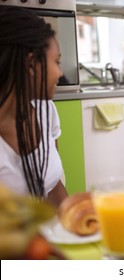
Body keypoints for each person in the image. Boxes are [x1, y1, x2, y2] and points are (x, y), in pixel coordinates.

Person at [0, 6, 68, 207]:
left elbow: (52, 184)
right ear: (31, 64)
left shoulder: (45, 111)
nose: (60, 74)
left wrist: (75, 219)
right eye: (57, 62)